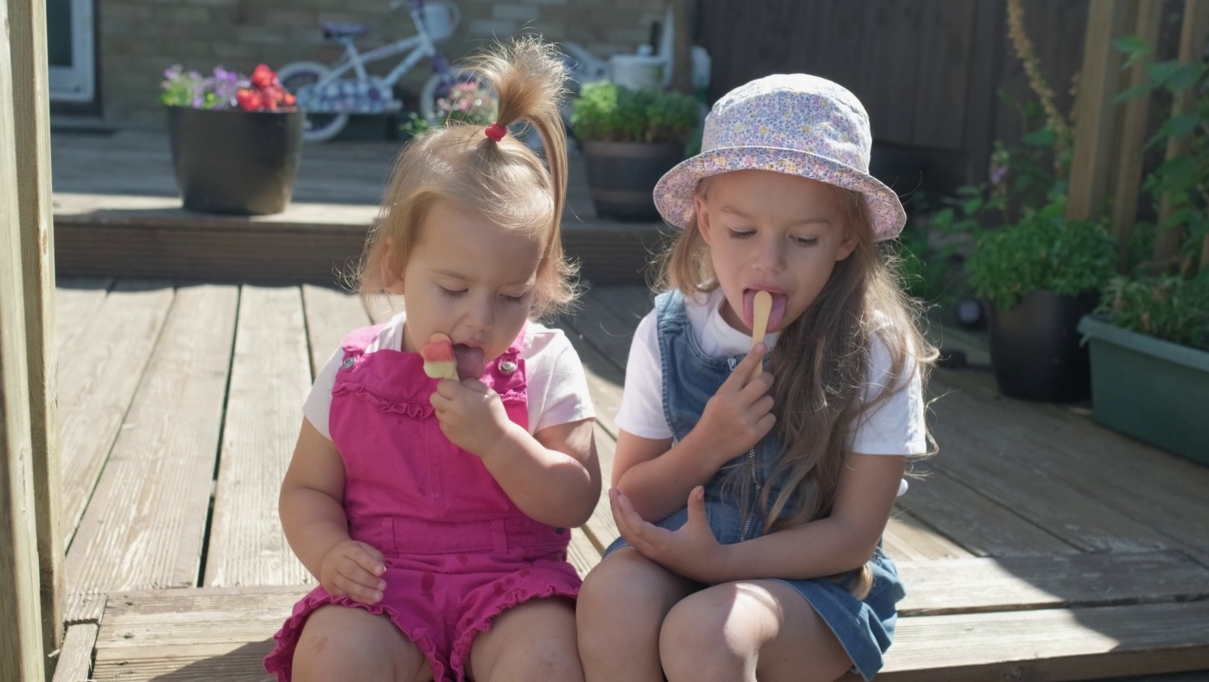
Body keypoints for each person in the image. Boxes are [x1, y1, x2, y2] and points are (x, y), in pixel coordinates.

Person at [575, 74, 936, 682]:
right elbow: (632, 502)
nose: (768, 261)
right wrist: (707, 445)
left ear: (847, 238)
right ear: (706, 219)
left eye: (803, 239)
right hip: (677, 552)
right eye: (743, 232)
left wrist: (723, 564)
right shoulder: (666, 334)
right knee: (611, 599)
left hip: (809, 584)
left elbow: (851, 536)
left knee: (704, 635)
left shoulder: (874, 350)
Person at [264, 37, 600, 682]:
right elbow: (306, 489)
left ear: (539, 280)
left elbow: (575, 499)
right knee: (332, 655)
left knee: (549, 659)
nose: (480, 318)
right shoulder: (355, 369)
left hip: (514, 585)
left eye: (511, 296)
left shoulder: (546, 361)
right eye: (452, 289)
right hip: (385, 586)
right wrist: (330, 551)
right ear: (396, 267)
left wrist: (499, 440)